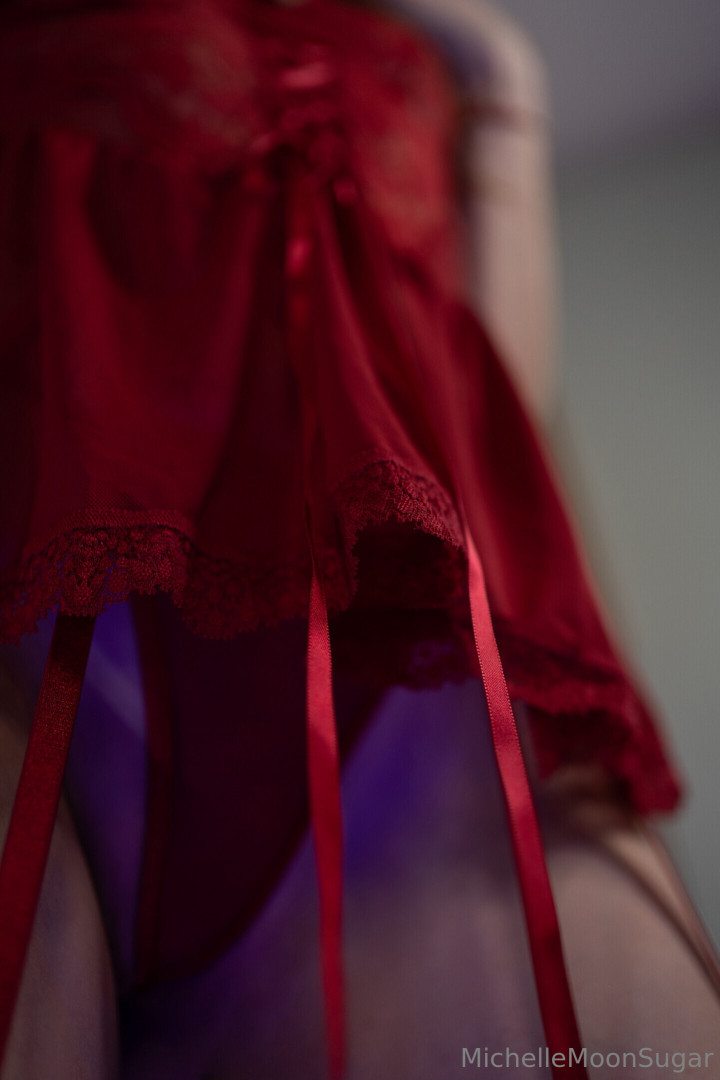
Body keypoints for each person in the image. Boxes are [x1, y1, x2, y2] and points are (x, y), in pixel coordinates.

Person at [0, 1, 718, 1077]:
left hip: (406, 717)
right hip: (53, 654)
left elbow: (499, 402)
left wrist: (499, 74)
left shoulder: (449, 48)